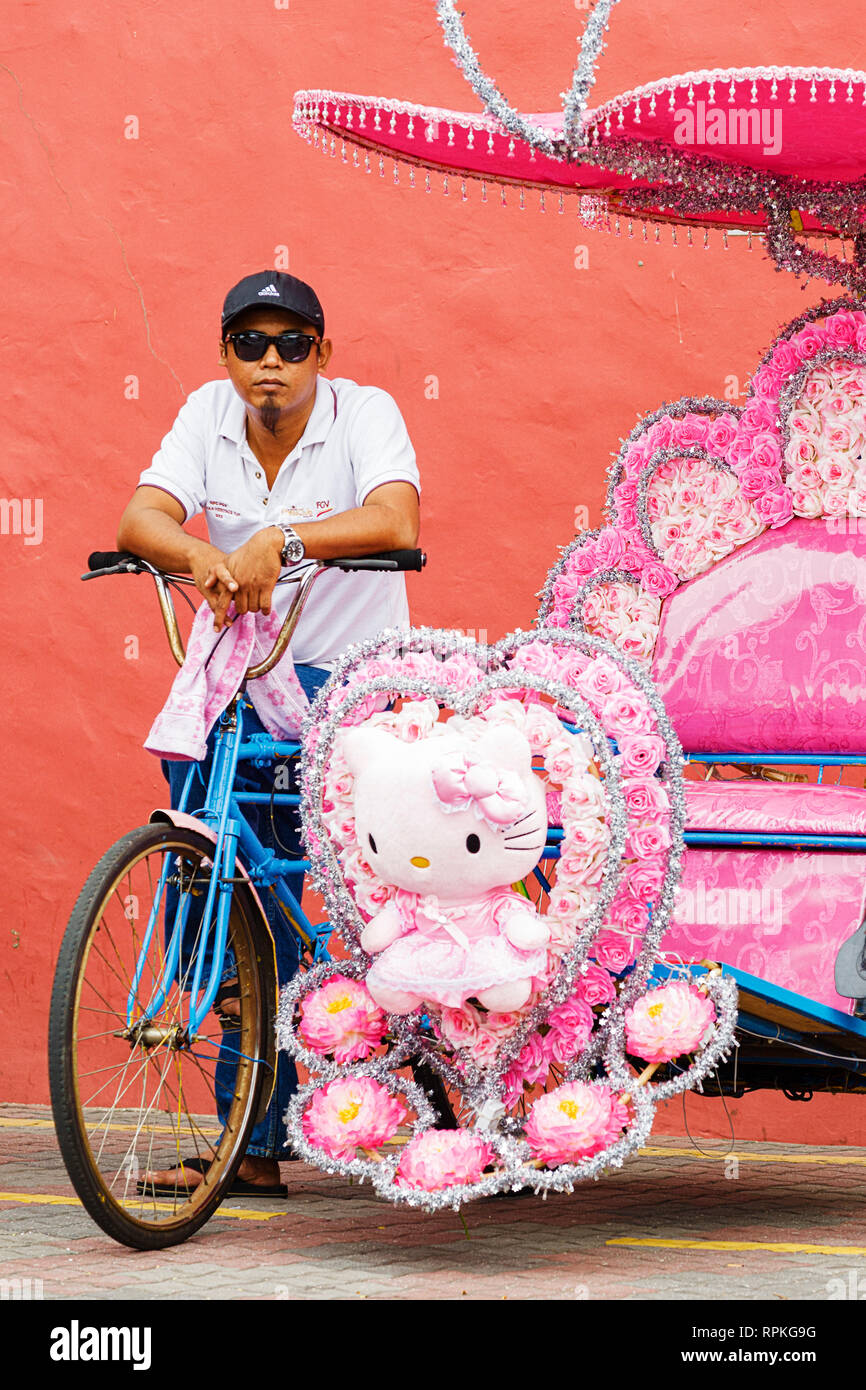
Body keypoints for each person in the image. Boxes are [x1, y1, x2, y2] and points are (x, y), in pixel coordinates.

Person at [117, 269, 420, 1195]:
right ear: (226, 356)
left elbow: (396, 516)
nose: (271, 363)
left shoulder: (365, 413)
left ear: (322, 353)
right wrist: (204, 554)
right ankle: (246, 1142)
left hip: (346, 687)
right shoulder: (205, 413)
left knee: (322, 890)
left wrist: (281, 542)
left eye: (292, 344)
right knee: (215, 883)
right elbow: (141, 518)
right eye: (251, 344)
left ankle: (393, 1068)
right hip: (239, 681)